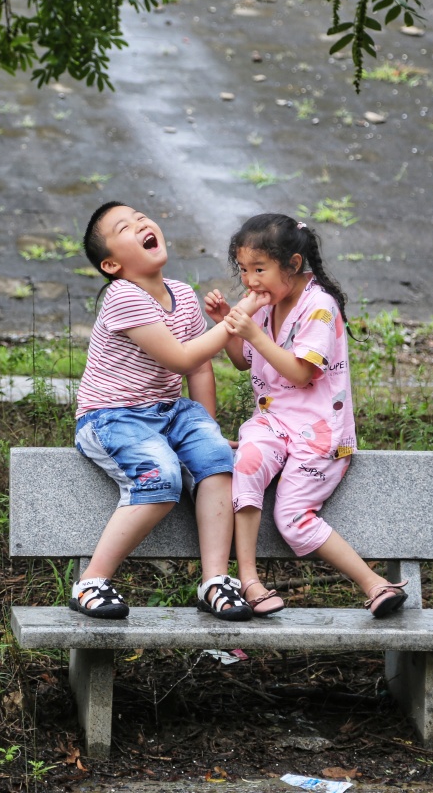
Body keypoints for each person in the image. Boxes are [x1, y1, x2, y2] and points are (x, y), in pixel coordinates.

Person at [203, 213, 408, 618]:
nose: (249, 281)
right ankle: (249, 581)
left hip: (317, 433)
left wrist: (252, 333)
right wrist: (226, 322)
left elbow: (300, 371)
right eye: (243, 270)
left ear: (293, 264)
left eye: (259, 269)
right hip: (273, 423)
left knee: (292, 518)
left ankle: (374, 584)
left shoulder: (319, 306)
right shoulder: (266, 304)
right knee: (245, 462)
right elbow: (245, 362)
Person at [70, 201, 268, 621]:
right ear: (111, 264)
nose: (141, 223)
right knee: (160, 476)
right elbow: (180, 358)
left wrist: (206, 430)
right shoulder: (123, 296)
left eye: (141, 217)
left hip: (168, 411)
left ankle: (215, 581)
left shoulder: (180, 293)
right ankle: (92, 581)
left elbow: (199, 366)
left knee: (217, 461)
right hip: (112, 416)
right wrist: (237, 318)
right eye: (125, 227)